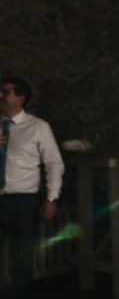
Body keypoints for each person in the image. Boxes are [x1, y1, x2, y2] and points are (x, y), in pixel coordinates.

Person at [0, 77, 64, 299]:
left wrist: (51, 198)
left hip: (24, 203)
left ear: (21, 98)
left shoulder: (38, 127)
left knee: (22, 262)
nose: (0, 96)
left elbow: (54, 163)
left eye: (5, 92)